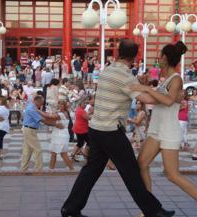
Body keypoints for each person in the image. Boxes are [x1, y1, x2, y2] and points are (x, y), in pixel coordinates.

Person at [61, 39, 175, 217]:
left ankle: (70, 208)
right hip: (111, 131)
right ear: (134, 57)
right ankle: (154, 211)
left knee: (91, 170)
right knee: (131, 172)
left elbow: (128, 88)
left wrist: (141, 84)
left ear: (118, 53)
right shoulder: (126, 76)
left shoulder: (108, 70)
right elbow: (148, 100)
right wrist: (169, 94)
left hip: (96, 128)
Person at [131, 41, 197, 217]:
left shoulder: (176, 79)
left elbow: (169, 100)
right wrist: (138, 89)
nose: (158, 59)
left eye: (160, 56)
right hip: (156, 130)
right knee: (141, 164)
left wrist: (146, 88)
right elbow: (157, 100)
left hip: (169, 131)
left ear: (164, 58)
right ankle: (149, 209)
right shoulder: (166, 81)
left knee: (172, 174)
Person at [43, 100, 74, 171]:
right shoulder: (63, 113)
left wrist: (38, 111)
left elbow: (48, 116)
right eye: (59, 104)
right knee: (54, 153)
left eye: (62, 105)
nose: (60, 106)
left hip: (61, 135)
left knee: (63, 153)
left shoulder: (62, 114)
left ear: (65, 106)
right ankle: (51, 169)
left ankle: (71, 169)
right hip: (58, 134)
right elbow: (50, 118)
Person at [20, 95, 47, 172]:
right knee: (38, 149)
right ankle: (39, 169)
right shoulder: (32, 109)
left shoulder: (32, 107)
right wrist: (53, 123)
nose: (42, 104)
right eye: (41, 102)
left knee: (27, 151)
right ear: (37, 101)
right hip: (29, 130)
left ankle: (23, 168)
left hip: (29, 129)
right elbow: (41, 119)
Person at [71, 97, 90, 162]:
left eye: (86, 103)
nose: (85, 105)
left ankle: (73, 155)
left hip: (78, 128)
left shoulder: (78, 109)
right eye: (84, 103)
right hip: (82, 129)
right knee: (89, 142)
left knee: (80, 143)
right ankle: (85, 154)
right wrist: (90, 112)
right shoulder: (81, 111)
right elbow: (89, 118)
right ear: (80, 103)